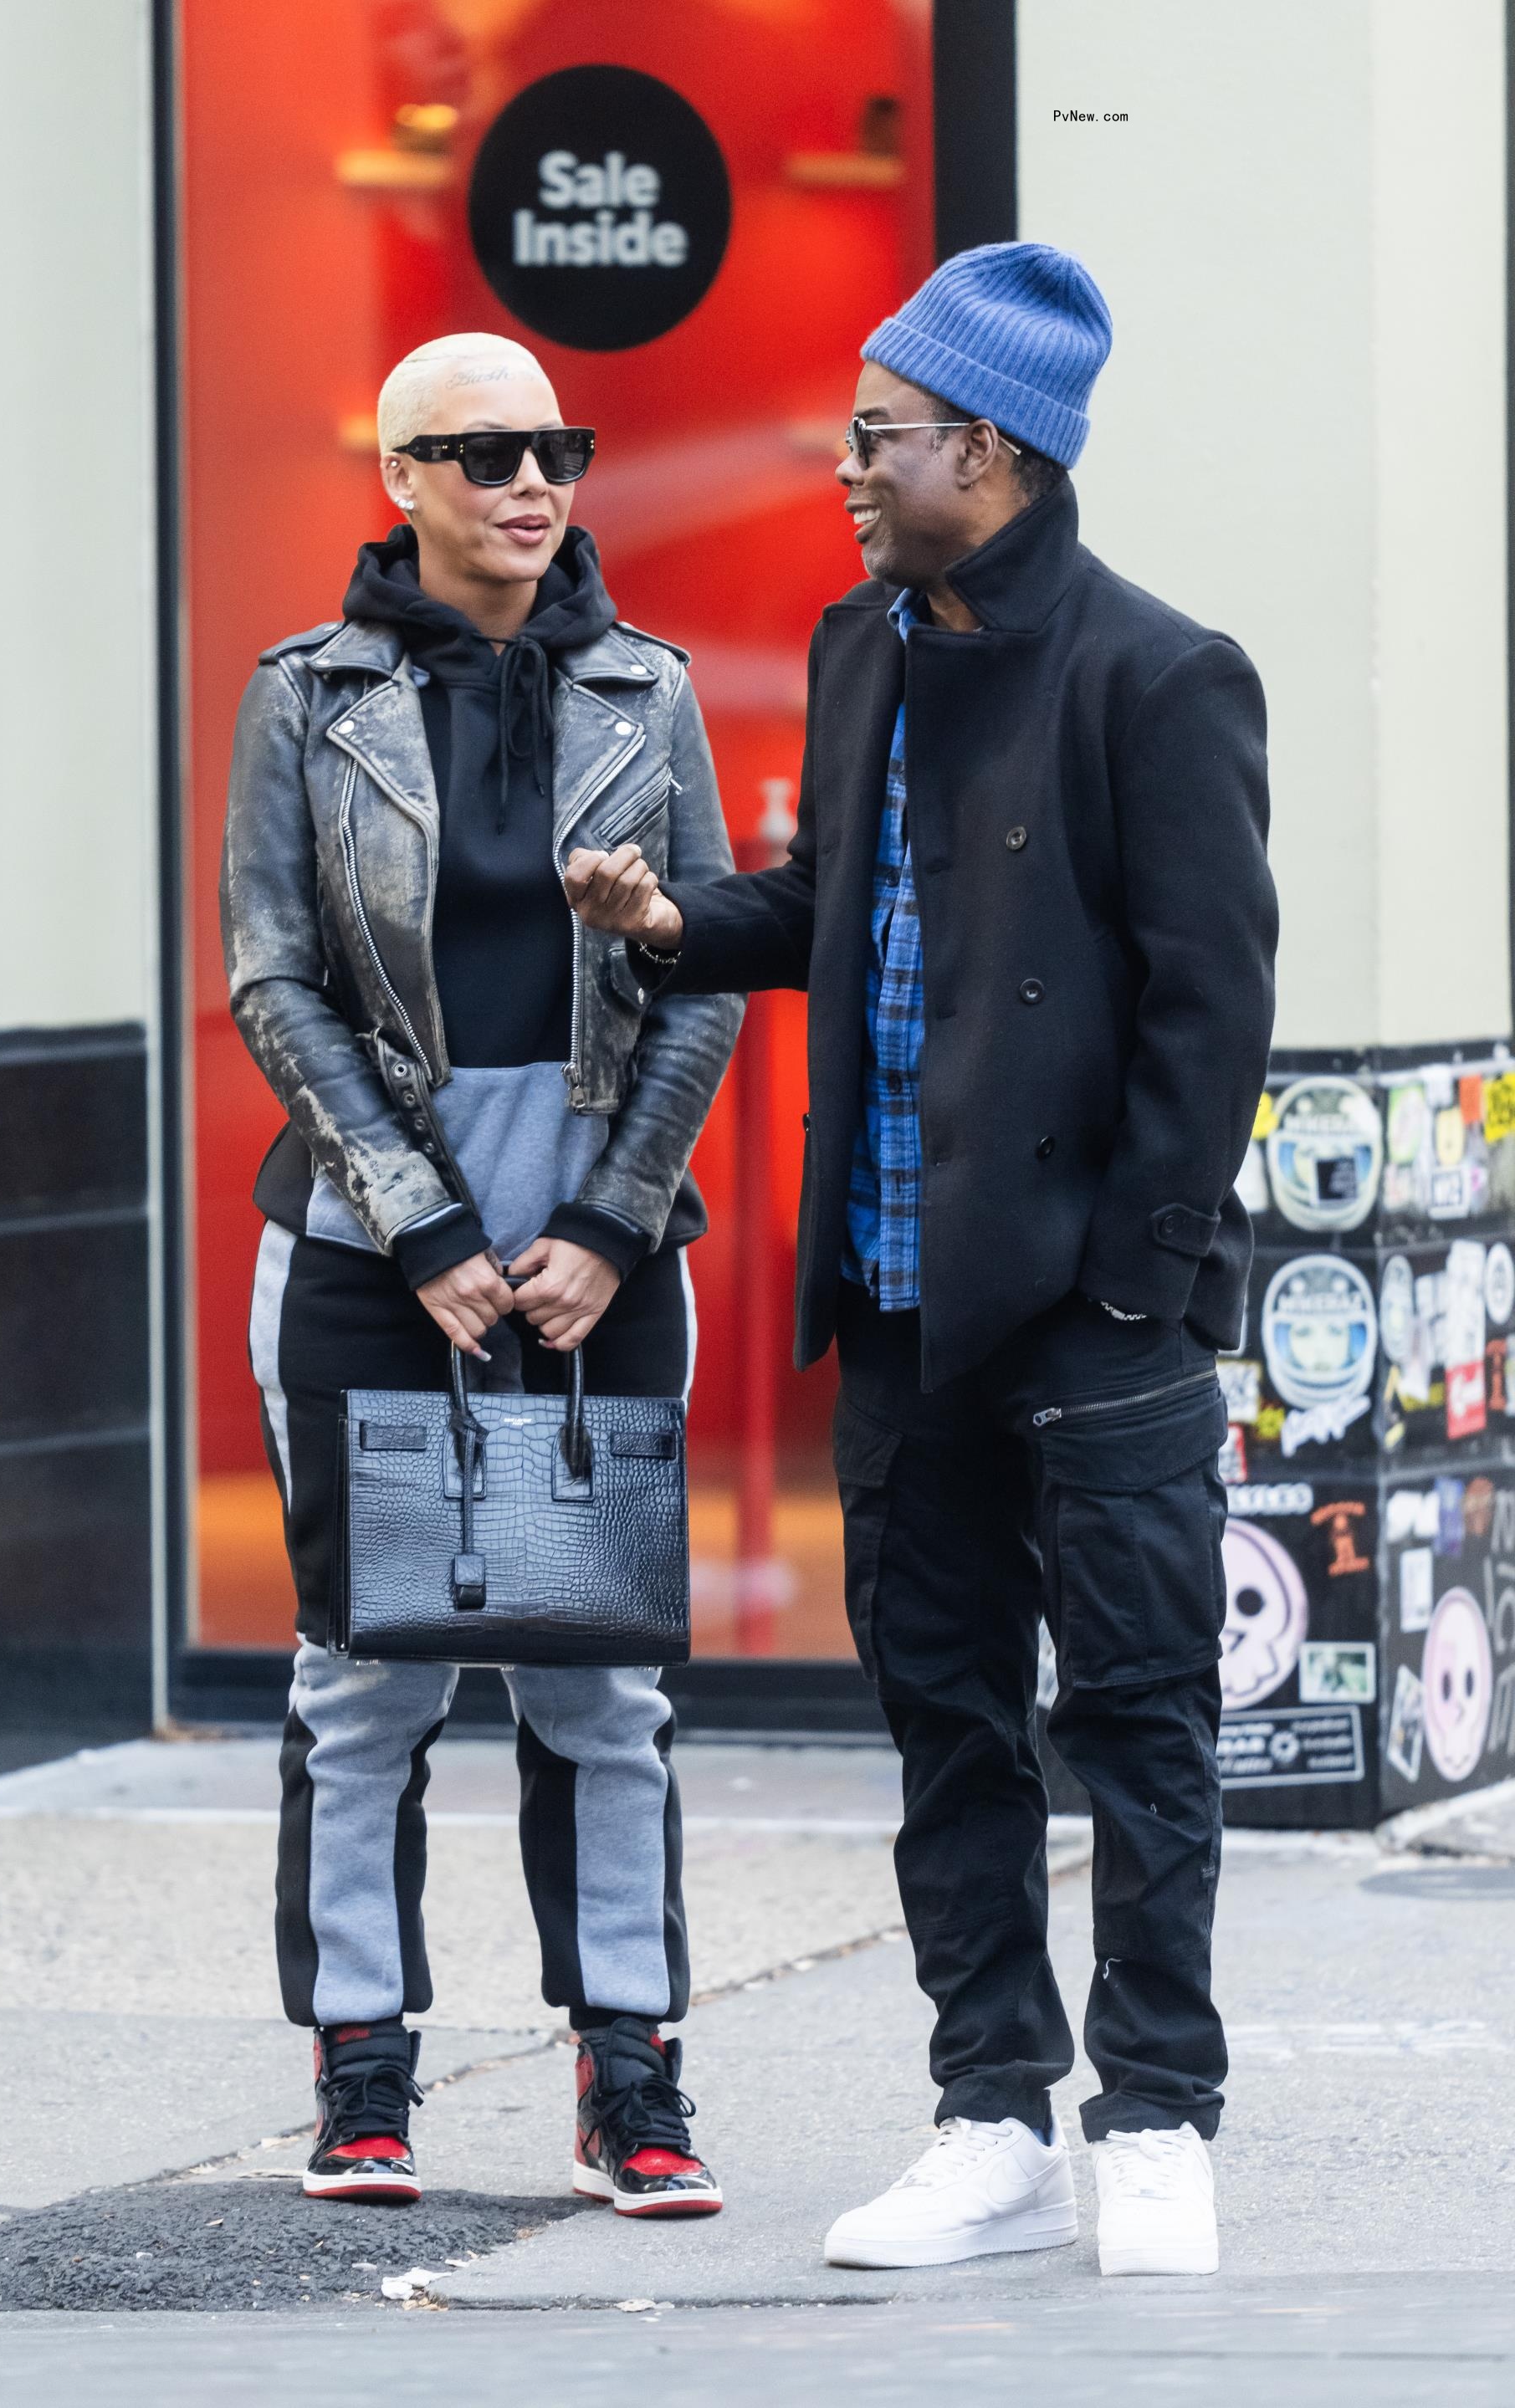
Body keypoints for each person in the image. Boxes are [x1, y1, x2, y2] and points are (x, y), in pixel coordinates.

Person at [564, 243, 1277, 2278]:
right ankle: (992, 2115)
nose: (848, 469)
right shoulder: (864, 644)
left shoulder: (1160, 672)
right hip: (894, 1301)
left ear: (999, 448)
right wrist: (675, 923)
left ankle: (1156, 2112)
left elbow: (1209, 1011)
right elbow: (833, 904)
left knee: (1138, 1719)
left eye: (879, 436)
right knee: (948, 1715)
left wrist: (1139, 1285)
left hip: (1088, 1314)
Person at [221, 332, 740, 2216]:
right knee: (363, 1682)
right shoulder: (306, 699)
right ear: (400, 478)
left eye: (559, 449)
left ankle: (632, 2075)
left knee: (597, 1691)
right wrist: (422, 1221)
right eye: (488, 452)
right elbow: (274, 978)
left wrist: (611, 1224)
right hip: (370, 1254)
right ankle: (365, 2077)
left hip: (598, 1248)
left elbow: (703, 968)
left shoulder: (646, 690)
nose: (534, 483)